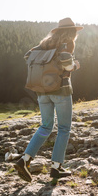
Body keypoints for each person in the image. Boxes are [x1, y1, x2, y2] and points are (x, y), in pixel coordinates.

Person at [15, 17, 83, 182]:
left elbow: (27, 56)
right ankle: (56, 167)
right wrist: (75, 66)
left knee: (45, 126)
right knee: (64, 128)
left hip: (41, 91)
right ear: (72, 32)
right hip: (61, 90)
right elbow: (67, 64)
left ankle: (24, 160)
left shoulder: (43, 44)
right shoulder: (67, 44)